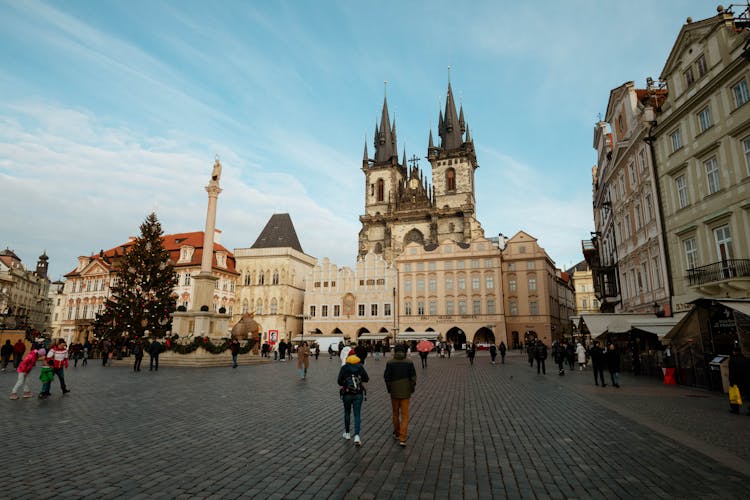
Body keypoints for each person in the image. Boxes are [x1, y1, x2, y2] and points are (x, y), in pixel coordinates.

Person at [384, 344, 417, 448]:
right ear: (405, 351)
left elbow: (387, 378)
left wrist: (389, 389)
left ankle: (397, 433)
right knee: (405, 415)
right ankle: (402, 438)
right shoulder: (409, 362)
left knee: (395, 413)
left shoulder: (390, 362)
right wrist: (411, 388)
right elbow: (413, 378)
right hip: (406, 392)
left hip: (394, 392)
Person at [337, 353, 369, 447]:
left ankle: (347, 433)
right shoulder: (360, 367)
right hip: (358, 393)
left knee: (347, 413)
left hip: (347, 393)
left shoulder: (344, 368)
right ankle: (357, 436)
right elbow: (367, 379)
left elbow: (339, 381)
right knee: (357, 414)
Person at [728, 346, 749, 415]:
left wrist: (731, 381)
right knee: (748, 394)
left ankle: (735, 409)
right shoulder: (745, 359)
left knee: (735, 395)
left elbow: (731, 371)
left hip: (736, 380)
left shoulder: (732, 360)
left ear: (734, 352)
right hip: (746, 379)